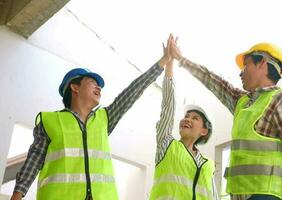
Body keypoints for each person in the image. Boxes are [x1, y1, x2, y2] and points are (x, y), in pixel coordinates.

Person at [10, 36, 173, 200]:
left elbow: (133, 91)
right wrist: (17, 195)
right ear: (75, 87)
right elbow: (34, 160)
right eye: (92, 82)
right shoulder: (49, 122)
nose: (99, 87)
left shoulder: (104, 119)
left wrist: (163, 61)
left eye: (99, 85)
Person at [170, 40, 282, 200]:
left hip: (267, 196)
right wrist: (181, 60)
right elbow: (214, 81)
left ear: (262, 63)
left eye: (246, 66)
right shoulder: (242, 102)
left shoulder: (281, 100)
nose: (241, 72)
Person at [149, 37, 218, 200]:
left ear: (204, 131)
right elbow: (168, 107)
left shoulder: (208, 165)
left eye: (195, 118)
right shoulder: (166, 144)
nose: (187, 119)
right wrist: (170, 65)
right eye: (186, 116)